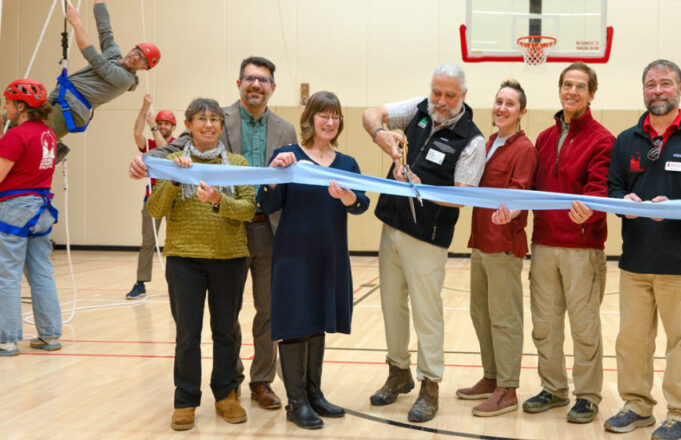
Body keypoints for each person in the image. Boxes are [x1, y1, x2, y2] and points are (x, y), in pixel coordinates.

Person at [129, 56, 297, 410]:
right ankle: (229, 386)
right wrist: (146, 161)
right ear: (239, 83)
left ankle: (262, 381)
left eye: (263, 80)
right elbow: (173, 150)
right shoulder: (215, 117)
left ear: (272, 87)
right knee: (226, 319)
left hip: (268, 228)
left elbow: (294, 174)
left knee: (267, 310)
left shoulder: (285, 129)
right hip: (221, 231)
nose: (256, 84)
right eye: (250, 78)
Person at [605, 59, 681, 440]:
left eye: (666, 83)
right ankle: (638, 406)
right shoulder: (626, 140)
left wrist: (670, 209)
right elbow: (611, 190)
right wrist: (626, 199)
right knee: (633, 341)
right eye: (651, 84)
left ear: (680, 89)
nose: (658, 90)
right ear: (643, 90)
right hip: (635, 260)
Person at [362, 63, 485, 422]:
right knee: (391, 306)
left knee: (426, 314)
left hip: (428, 239)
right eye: (437, 92)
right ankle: (398, 372)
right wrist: (380, 135)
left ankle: (429, 385)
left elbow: (464, 195)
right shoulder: (418, 109)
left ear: (463, 96)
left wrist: (419, 184)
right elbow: (373, 114)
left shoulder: (471, 139)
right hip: (392, 228)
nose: (441, 101)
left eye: (450, 95)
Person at [258, 91, 369, 429]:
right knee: (295, 323)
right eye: (323, 115)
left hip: (329, 256)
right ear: (311, 119)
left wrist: (348, 196)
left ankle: (314, 394)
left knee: (318, 321)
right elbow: (267, 204)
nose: (330, 122)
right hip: (293, 257)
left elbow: (361, 204)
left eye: (335, 116)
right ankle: (296, 402)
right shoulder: (287, 156)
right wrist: (274, 174)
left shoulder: (347, 164)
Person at [146, 98, 255, 431]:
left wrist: (220, 200)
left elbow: (249, 208)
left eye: (214, 119)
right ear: (189, 125)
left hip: (230, 259)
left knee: (225, 332)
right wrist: (177, 179)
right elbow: (155, 209)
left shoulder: (237, 163)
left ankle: (226, 395)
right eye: (201, 119)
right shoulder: (171, 163)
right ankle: (186, 400)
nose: (208, 124)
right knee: (187, 334)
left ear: (222, 126)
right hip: (184, 260)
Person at [518, 62, 614, 424]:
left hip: (582, 250)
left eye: (580, 86)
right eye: (567, 85)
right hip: (543, 245)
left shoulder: (603, 140)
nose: (572, 91)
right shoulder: (543, 138)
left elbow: (600, 191)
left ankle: (587, 395)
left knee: (584, 328)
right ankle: (553, 389)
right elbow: (529, 190)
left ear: (591, 94)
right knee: (544, 325)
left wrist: (588, 211)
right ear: (560, 90)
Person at [456, 79, 536, 417]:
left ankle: (508, 388)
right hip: (480, 243)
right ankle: (491, 377)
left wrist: (512, 212)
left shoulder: (524, 149)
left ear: (522, 112)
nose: (502, 108)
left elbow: (520, 192)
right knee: (481, 314)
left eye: (510, 104)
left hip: (504, 246)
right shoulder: (487, 142)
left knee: (504, 318)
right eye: (499, 102)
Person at [47, 0, 160, 160]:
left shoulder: (125, 80)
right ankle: (53, 146)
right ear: (133, 48)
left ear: (144, 68)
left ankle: (49, 149)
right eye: (137, 52)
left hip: (72, 108)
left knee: (29, 134)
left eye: (142, 60)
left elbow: (94, 58)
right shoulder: (114, 54)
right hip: (64, 97)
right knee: (11, 120)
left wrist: (77, 24)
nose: (135, 58)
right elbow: (105, 28)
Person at [0, 79, 61, 356]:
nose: (6, 107)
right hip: (40, 207)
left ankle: (7, 338)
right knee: (41, 272)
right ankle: (49, 335)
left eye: (8, 103)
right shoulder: (47, 133)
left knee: (7, 274)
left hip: (14, 208)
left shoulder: (16, 135)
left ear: (20, 106)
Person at [125, 94, 175, 300]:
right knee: (148, 241)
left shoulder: (177, 143)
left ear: (172, 126)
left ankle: (176, 283)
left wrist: (153, 126)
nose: (162, 126)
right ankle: (141, 282)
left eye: (166, 123)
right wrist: (144, 108)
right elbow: (137, 132)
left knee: (174, 241)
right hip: (152, 198)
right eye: (160, 122)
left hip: (173, 199)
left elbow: (164, 150)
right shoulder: (148, 145)